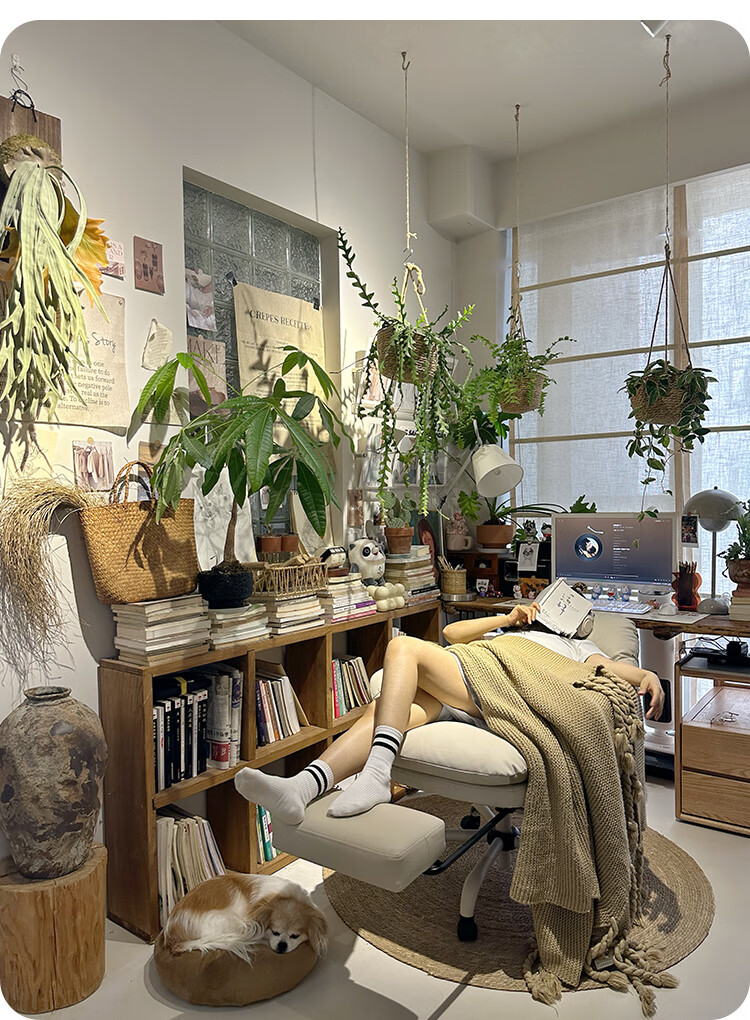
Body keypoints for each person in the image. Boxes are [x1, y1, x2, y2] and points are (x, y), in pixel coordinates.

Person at [235, 603, 665, 823]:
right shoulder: (510, 631)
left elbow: (604, 669)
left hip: (503, 689)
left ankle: (377, 775)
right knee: (384, 712)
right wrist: (508, 618)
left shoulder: (575, 646)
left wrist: (646, 674)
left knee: (403, 647)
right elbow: (452, 633)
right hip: (470, 683)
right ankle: (302, 788)